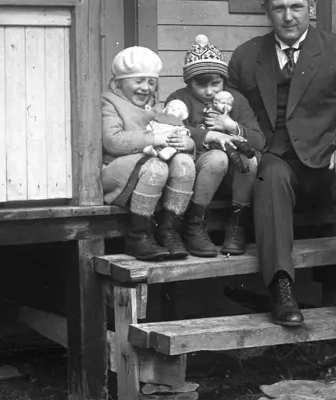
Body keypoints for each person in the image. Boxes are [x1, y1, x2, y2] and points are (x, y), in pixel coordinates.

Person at [228, 0, 336, 327]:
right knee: (269, 175)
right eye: (279, 8)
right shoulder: (246, 57)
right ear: (267, 10)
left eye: (297, 6)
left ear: (311, 7)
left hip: (329, 158)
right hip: (277, 159)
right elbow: (232, 115)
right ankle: (282, 290)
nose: (288, 16)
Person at [164, 35, 266, 258]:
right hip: (198, 172)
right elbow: (168, 128)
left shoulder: (236, 100)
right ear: (188, 83)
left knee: (250, 158)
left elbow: (259, 140)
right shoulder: (179, 99)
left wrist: (231, 126)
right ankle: (194, 224)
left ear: (224, 80)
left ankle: (237, 225)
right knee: (217, 157)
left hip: (234, 178)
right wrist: (207, 134)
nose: (209, 91)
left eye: (215, 83)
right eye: (200, 85)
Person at [100, 46, 197, 261]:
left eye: (151, 82)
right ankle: (138, 236)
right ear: (120, 83)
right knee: (157, 166)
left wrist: (186, 143)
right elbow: (112, 141)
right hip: (116, 170)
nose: (146, 88)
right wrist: (154, 139)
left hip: (147, 166)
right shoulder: (109, 102)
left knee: (184, 163)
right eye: (138, 81)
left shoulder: (152, 107)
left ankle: (169, 230)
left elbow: (170, 132)